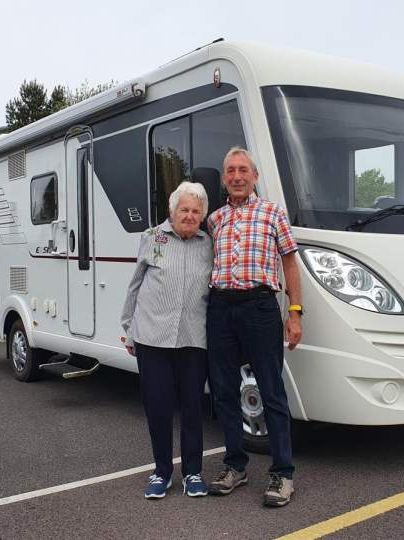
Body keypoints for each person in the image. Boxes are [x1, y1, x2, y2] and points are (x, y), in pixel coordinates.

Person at [206, 146, 303, 507]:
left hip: (260, 307)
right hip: (220, 308)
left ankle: (283, 473)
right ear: (224, 178)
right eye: (230, 170)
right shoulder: (214, 220)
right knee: (224, 391)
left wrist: (294, 313)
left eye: (243, 170)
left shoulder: (273, 214)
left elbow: (290, 265)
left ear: (255, 176)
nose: (236, 176)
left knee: (272, 392)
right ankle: (235, 466)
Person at [121, 182, 213, 500]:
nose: (189, 216)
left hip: (193, 339)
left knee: (192, 409)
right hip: (152, 338)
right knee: (158, 408)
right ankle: (161, 472)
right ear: (172, 212)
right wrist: (129, 328)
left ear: (203, 216)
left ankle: (193, 473)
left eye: (195, 211)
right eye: (184, 210)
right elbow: (135, 285)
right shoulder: (152, 238)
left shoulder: (208, 244)